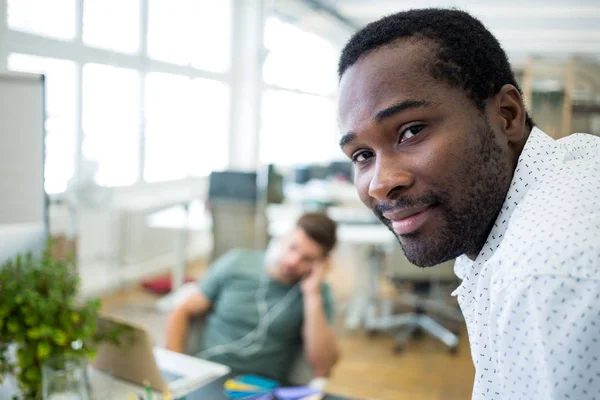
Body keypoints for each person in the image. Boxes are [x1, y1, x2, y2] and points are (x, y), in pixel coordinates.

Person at [336, 8, 600, 400]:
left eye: (411, 131)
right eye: (361, 155)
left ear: (507, 115)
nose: (379, 184)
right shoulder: (572, 162)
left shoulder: (544, 276)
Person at [165, 212, 339, 383]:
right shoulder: (237, 263)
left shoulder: (317, 294)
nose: (293, 261)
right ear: (283, 239)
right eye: (293, 247)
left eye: (307, 259)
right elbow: (182, 311)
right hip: (207, 374)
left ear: (321, 264)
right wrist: (175, 370)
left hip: (261, 387)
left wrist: (312, 295)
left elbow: (322, 368)